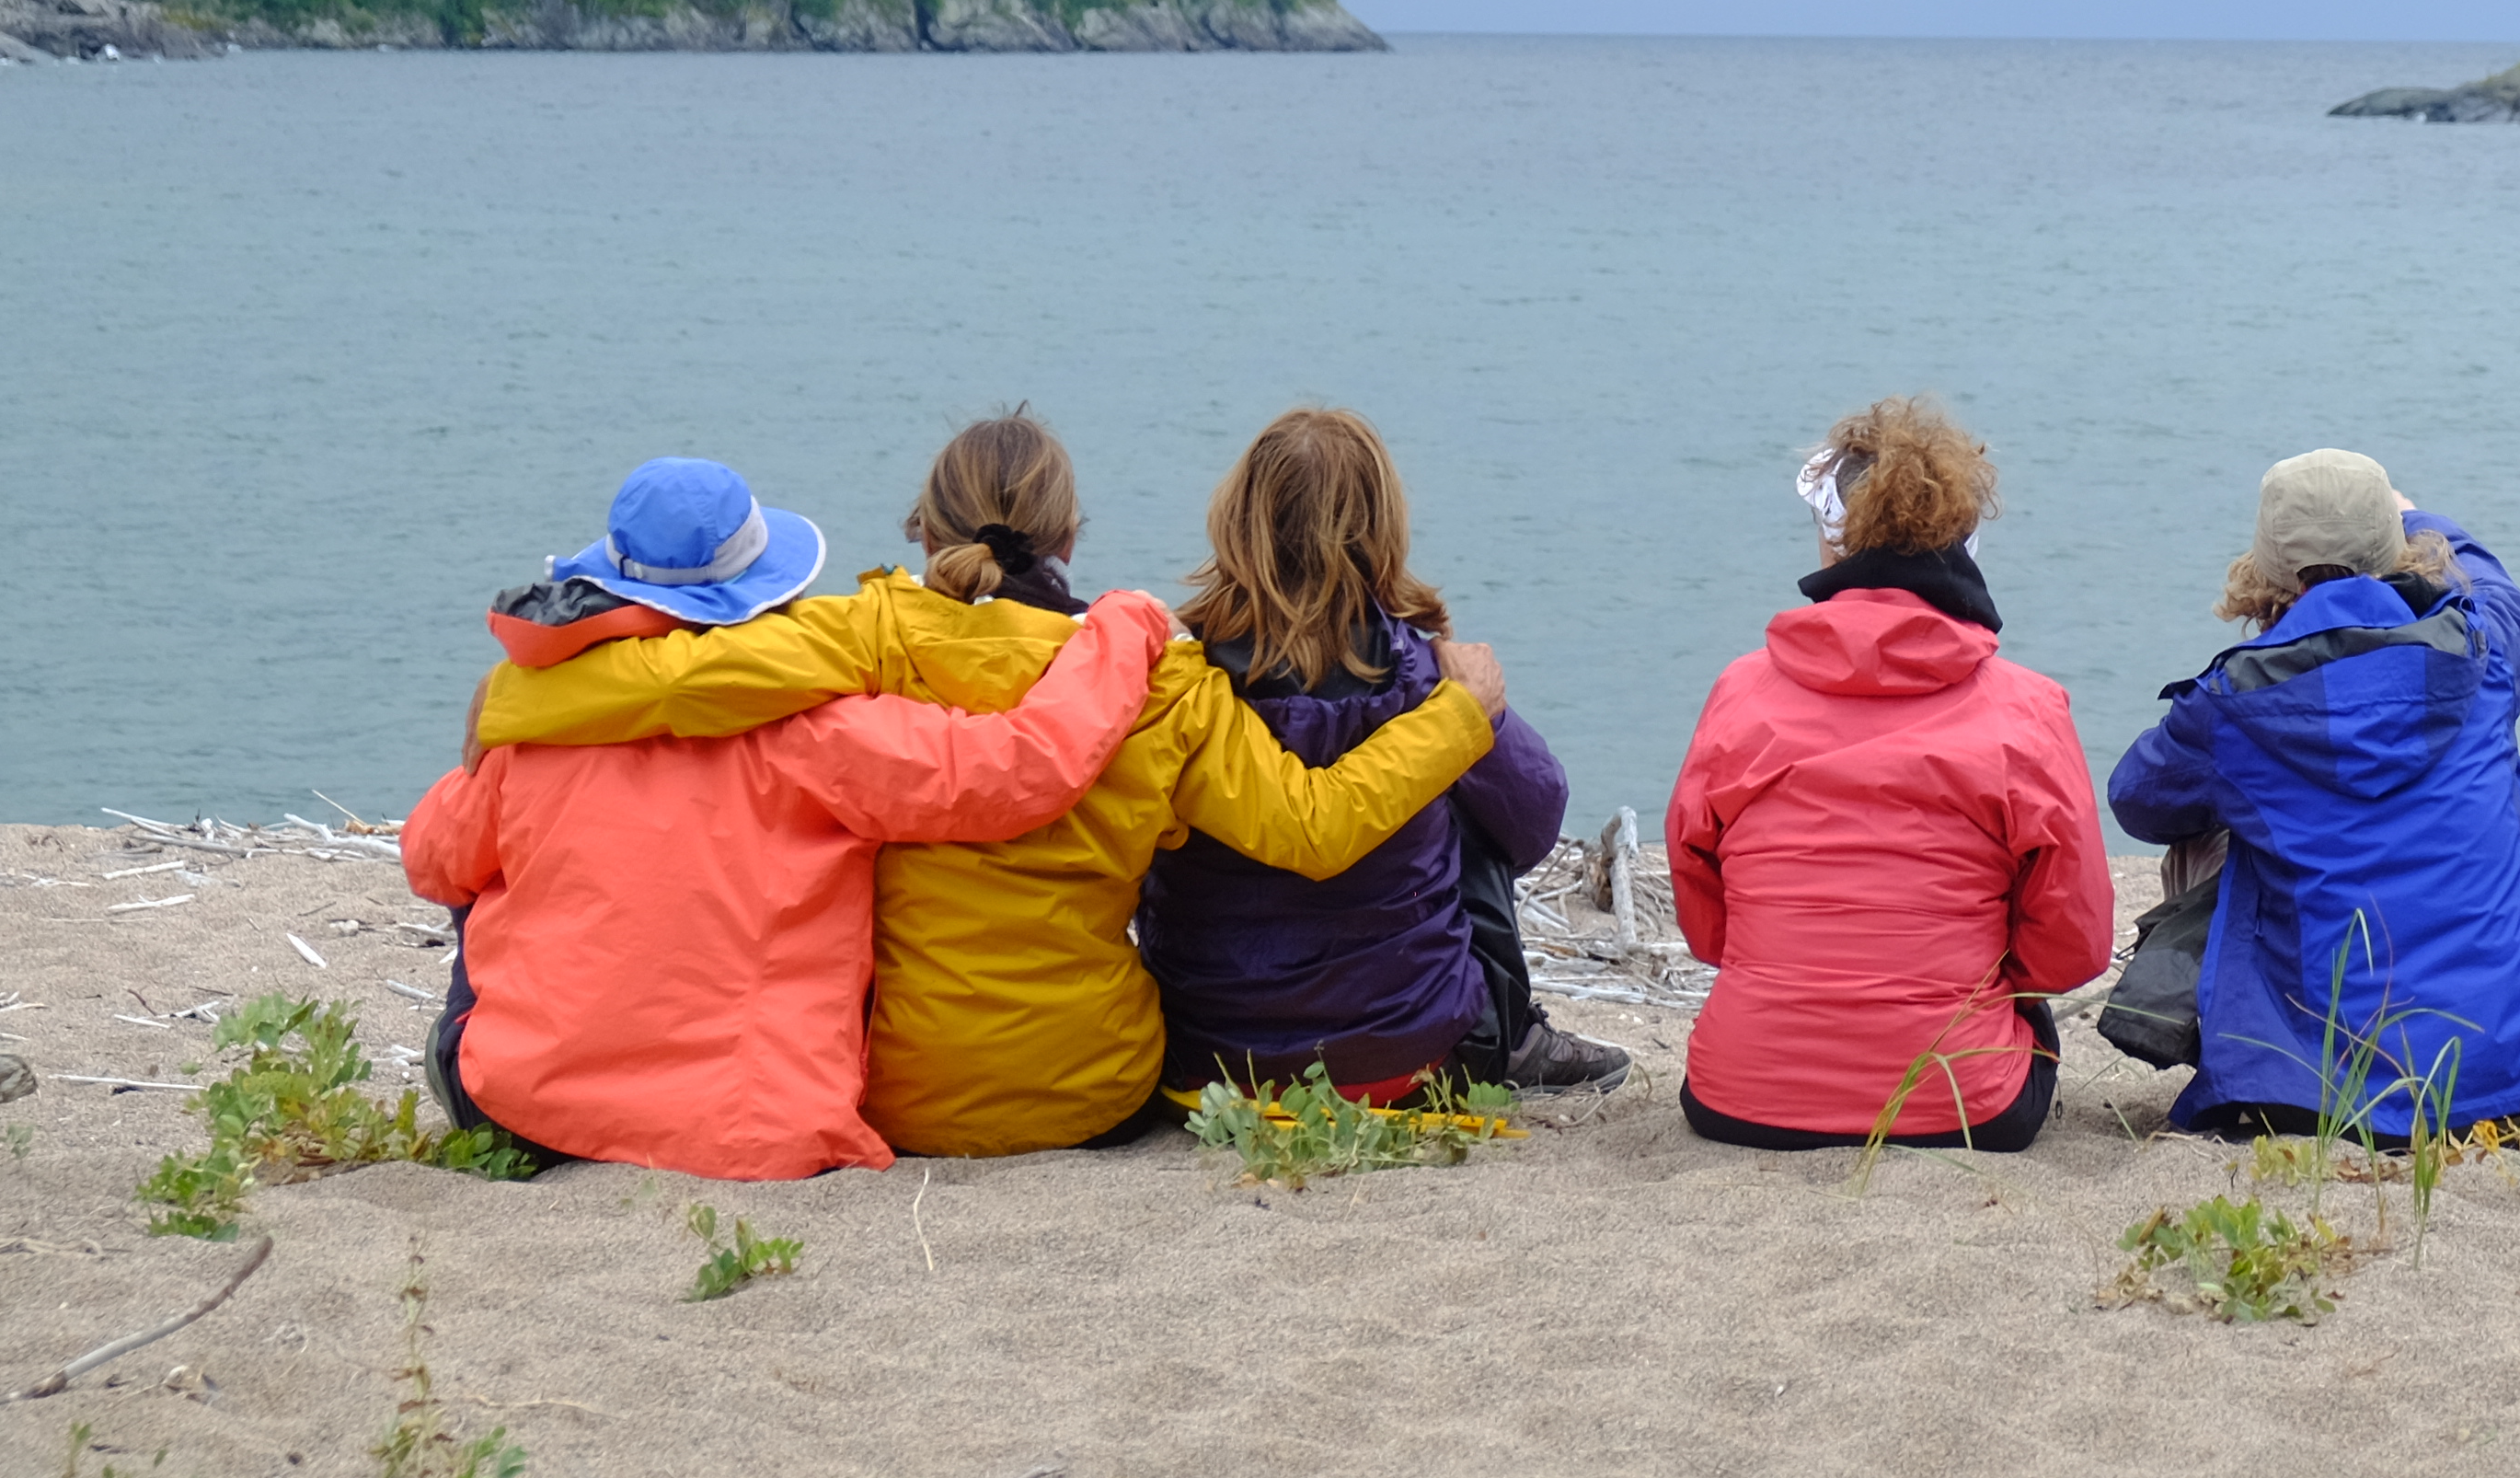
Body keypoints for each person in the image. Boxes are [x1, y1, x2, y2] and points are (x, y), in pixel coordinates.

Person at [462, 411, 1508, 1155]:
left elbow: (680, 682)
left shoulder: (865, 634)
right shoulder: (1159, 676)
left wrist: (512, 707)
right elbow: (1311, 828)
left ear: (925, 527)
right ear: (1067, 538)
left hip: (903, 1096)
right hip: (1094, 1090)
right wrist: (1459, 719)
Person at [405, 455, 1176, 1178]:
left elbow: (428, 860)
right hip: (747, 1131)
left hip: (519, 1110)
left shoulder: (532, 739)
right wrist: (1120, 631)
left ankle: (557, 1054)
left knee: (478, 884)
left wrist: (511, 730)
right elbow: (1018, 769)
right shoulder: (824, 736)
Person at [2107, 449, 2520, 1139]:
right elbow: (2503, 594)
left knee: (2215, 821)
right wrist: (2415, 515)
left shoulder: (2229, 707)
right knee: (2497, 777)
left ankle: (2252, 1032)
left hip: (2325, 1092)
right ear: (2397, 550)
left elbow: (2137, 800)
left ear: (2271, 570)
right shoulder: (2483, 652)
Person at [1133, 408, 1630, 1103]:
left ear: (1239, 521)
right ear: (1380, 531)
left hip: (1206, 1055)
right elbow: (1534, 819)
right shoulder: (1427, 681)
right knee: (1478, 811)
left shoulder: (1180, 679)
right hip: (1407, 1048)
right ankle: (1509, 1036)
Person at [1667, 398, 2112, 1150]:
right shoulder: (2027, 709)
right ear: (1962, 538)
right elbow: (2074, 944)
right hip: (1960, 1101)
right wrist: (1982, 976)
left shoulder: (1740, 692)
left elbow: (1705, 913)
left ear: (1832, 541)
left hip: (1741, 1094)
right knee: (2025, 1028)